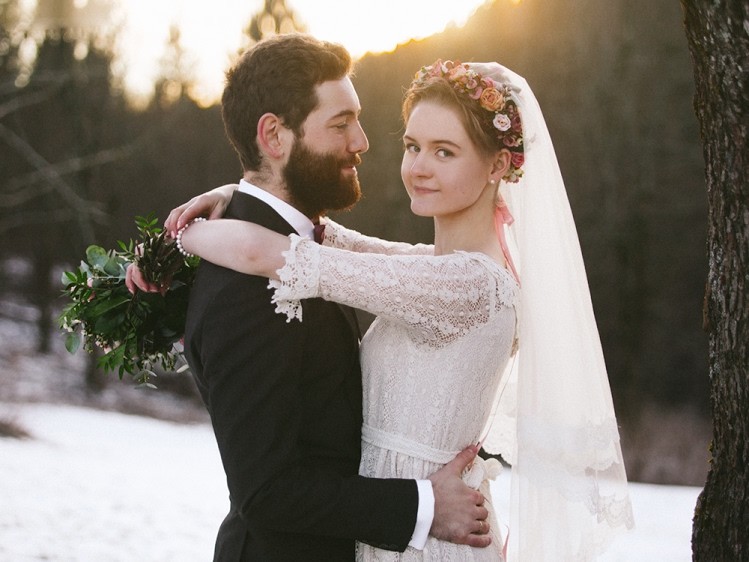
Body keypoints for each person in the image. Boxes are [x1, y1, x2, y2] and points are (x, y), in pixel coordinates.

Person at [163, 59, 635, 560]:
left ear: (498, 165)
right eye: (413, 146)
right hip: (393, 527)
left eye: (444, 151)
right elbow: (328, 238)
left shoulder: (468, 286)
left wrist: (181, 235)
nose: (419, 167)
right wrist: (233, 192)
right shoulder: (429, 268)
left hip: (430, 540)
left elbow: (276, 253)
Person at [128, 35, 493, 562]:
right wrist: (423, 506)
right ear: (274, 136)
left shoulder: (307, 248)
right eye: (341, 124)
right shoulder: (245, 289)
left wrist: (219, 205)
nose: (362, 141)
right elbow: (266, 493)